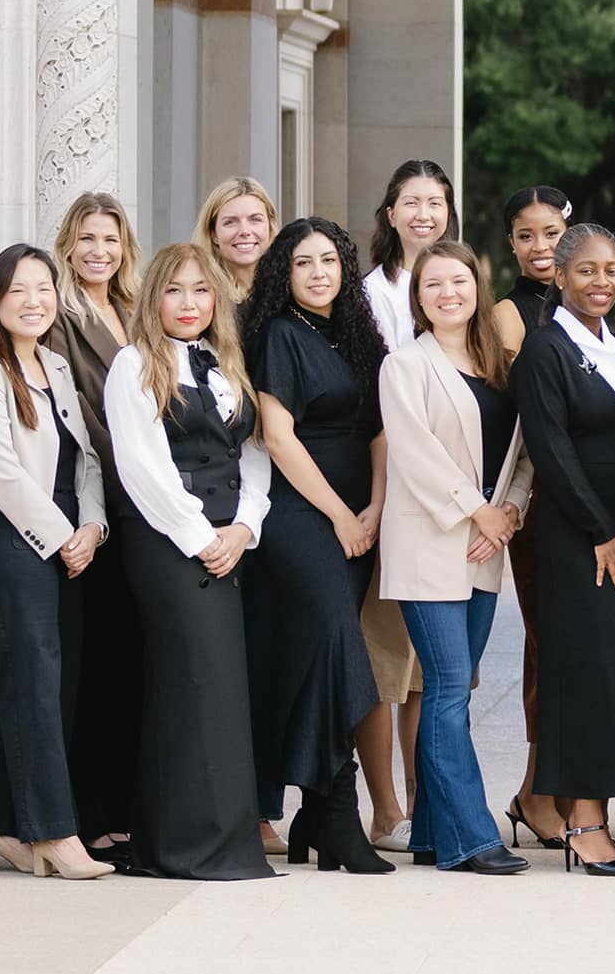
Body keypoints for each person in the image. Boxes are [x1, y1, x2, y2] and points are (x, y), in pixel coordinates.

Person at [102, 244, 274, 881]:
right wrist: (202, 538)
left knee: (223, 686)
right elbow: (140, 466)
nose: (188, 303)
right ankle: (183, 846)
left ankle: (224, 841)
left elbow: (254, 452)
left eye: (201, 290)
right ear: (154, 298)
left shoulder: (228, 362)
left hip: (230, 540)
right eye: (174, 290)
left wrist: (245, 527)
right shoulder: (133, 365)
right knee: (192, 682)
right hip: (168, 542)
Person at [511, 223, 615, 877]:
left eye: (611, 270)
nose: (601, 282)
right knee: (585, 676)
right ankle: (582, 823)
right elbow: (550, 450)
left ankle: (595, 812)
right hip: (576, 540)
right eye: (586, 270)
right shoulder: (544, 352)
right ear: (559, 276)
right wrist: (600, 529)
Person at [0, 244, 112, 879]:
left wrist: (92, 526)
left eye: (43, 288)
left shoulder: (55, 365)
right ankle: (51, 833)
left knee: (44, 680)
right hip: (5, 533)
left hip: (66, 535)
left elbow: (86, 457)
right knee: (35, 680)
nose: (33, 301)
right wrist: (62, 534)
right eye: (18, 290)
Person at [239, 218, 392, 874]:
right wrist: (341, 517)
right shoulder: (279, 334)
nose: (319, 272)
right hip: (300, 514)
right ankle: (336, 810)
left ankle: (314, 814)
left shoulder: (357, 332)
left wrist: (376, 507)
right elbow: (277, 437)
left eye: (328, 260)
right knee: (336, 641)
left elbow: (379, 430)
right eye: (303, 263)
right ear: (285, 273)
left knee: (319, 661)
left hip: (361, 516)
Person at [377, 240, 533, 875]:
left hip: (485, 547)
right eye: (433, 284)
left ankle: (431, 836)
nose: (448, 293)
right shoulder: (404, 366)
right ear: (418, 297)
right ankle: (471, 837)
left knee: (456, 687)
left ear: (478, 288)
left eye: (459, 282)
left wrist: (509, 512)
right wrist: (479, 510)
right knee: (445, 688)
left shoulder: (502, 365)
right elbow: (416, 456)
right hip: (430, 544)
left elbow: (523, 454)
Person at [357, 158, 462, 847]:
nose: (424, 214)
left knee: (432, 666)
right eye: (412, 202)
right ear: (390, 213)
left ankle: (429, 802)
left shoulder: (459, 284)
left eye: (436, 202)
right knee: (385, 658)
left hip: (451, 500)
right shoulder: (367, 296)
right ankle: (386, 806)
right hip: (390, 488)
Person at [45, 191, 144, 866]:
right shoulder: (60, 316)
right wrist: (136, 467)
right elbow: (76, 411)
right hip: (99, 499)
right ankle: (91, 813)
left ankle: (123, 806)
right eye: (86, 239)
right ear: (68, 246)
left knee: (130, 660)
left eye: (109, 239)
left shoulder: (136, 309)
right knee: (97, 661)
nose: (98, 251)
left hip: (149, 502)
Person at [491, 185, 574, 849]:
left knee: (580, 646)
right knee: (551, 642)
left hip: (592, 492)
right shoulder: (507, 315)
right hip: (541, 494)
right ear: (512, 244)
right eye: (527, 235)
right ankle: (537, 791)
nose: (541, 246)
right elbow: (529, 412)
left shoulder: (591, 303)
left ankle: (556, 787)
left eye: (552, 233)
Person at [193, 176, 278, 303]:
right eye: (230, 222)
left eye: (255, 219)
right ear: (213, 234)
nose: (244, 231)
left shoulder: (291, 290)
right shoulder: (200, 298)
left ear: (270, 227)